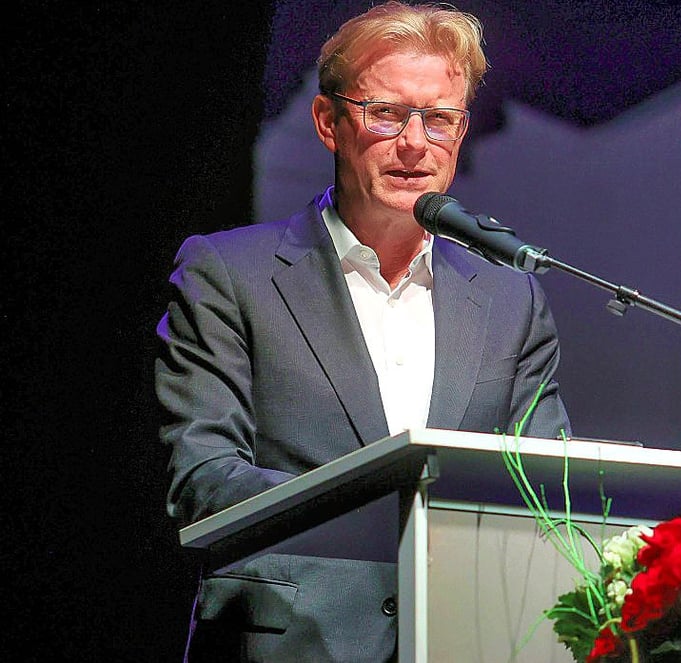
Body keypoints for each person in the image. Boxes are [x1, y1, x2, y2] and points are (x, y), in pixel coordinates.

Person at [154, 2, 571, 661]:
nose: (415, 143)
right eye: (387, 113)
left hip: (469, 639)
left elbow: (550, 490)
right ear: (329, 123)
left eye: (439, 118)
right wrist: (395, 502)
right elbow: (204, 481)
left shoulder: (508, 295)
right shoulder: (229, 273)